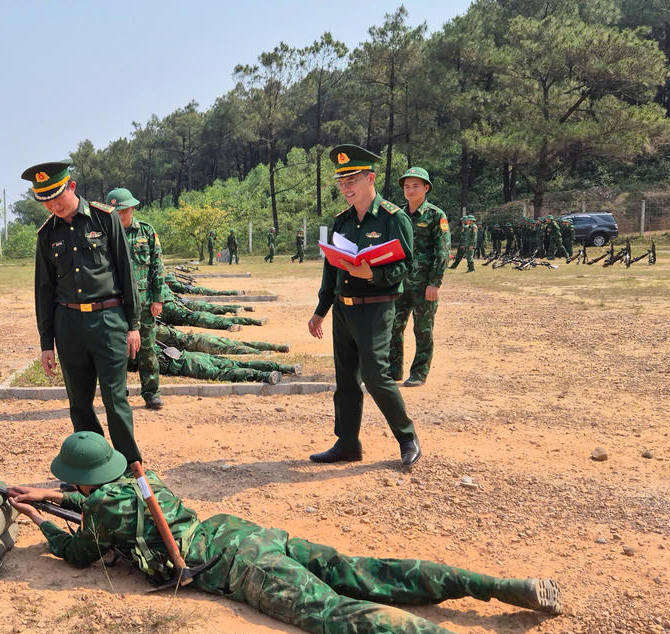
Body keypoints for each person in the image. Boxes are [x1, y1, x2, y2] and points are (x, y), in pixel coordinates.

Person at [8, 432, 562, 634]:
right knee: (366, 572)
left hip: (239, 568)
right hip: (242, 533)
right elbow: (104, 503)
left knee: (341, 615)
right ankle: (505, 588)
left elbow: (80, 552)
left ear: (79, 480)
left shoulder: (100, 505)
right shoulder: (133, 480)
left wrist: (38, 518)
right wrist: (55, 495)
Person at [26, 161, 145, 475]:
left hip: (109, 321)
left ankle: (130, 466)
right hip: (69, 327)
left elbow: (126, 273)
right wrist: (46, 344)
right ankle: (92, 469)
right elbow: (44, 291)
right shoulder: (46, 234)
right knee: (79, 403)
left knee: (114, 398)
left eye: (57, 196)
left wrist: (134, 325)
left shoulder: (105, 220)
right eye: (46, 201)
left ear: (72, 187)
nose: (53, 205)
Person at [309, 145, 420, 468]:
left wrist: (373, 273)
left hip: (376, 307)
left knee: (376, 376)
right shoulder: (341, 221)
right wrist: (321, 310)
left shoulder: (392, 218)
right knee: (345, 380)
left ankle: (406, 437)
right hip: (344, 310)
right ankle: (347, 443)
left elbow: (407, 267)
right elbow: (331, 270)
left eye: (352, 180)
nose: (345, 188)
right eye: (341, 182)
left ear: (371, 178)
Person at [389, 167, 450, 388]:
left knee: (423, 329)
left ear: (426, 188)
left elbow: (442, 251)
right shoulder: (398, 215)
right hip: (400, 283)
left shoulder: (436, 215)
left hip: (424, 285)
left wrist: (435, 283)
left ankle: (419, 373)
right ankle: (393, 370)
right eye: (407, 186)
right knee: (394, 327)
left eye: (415, 185)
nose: (410, 190)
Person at [107, 187, 166, 410]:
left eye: (123, 211)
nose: (119, 215)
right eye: (115, 211)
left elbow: (157, 268)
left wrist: (157, 298)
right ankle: (119, 394)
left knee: (148, 349)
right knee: (116, 350)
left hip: (144, 301)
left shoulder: (147, 233)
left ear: (132, 208)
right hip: (115, 303)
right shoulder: (105, 234)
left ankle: (151, 393)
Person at [157, 347, 294, 385]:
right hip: (190, 355)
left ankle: (264, 376)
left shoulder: (144, 354)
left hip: (188, 364)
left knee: (223, 374)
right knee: (238, 364)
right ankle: (284, 367)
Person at [156, 323, 289, 355]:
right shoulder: (160, 328)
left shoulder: (156, 331)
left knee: (232, 348)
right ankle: (277, 347)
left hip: (200, 344)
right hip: (199, 338)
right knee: (239, 344)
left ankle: (262, 353)